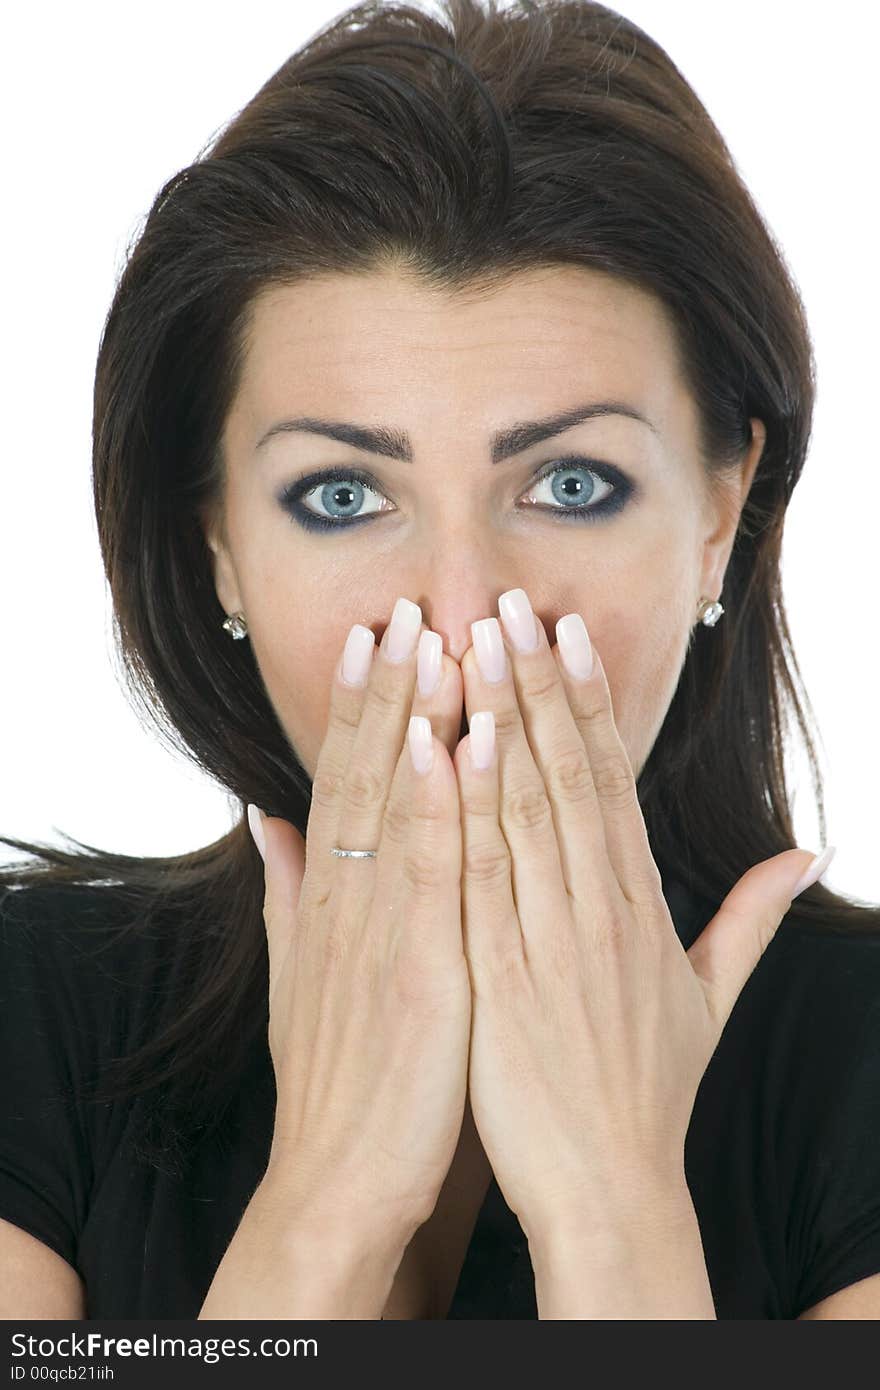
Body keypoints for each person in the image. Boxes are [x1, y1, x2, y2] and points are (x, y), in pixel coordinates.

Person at [1, 0, 879, 1321]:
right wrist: (332, 1195)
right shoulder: (27, 1013)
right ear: (218, 545)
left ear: (721, 514)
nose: (463, 617)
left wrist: (613, 1198)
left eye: (572, 482)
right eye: (343, 496)